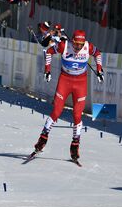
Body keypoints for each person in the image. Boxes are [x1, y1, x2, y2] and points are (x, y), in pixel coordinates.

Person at [33, 30, 104, 161]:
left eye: (81, 45)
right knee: (56, 111)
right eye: (76, 44)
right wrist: (47, 70)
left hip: (80, 83)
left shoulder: (87, 46)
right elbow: (49, 52)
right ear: (72, 41)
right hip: (65, 80)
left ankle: (75, 144)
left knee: (77, 114)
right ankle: (43, 137)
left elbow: (97, 54)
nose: (78, 48)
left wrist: (99, 69)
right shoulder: (64, 45)